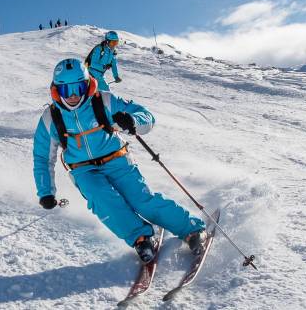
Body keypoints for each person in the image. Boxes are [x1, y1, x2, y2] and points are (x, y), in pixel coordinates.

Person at [32, 59, 206, 263]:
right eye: (65, 90)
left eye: (78, 87)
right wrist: (45, 192)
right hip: (84, 170)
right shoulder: (50, 118)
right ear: (56, 90)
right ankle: (140, 238)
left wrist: (133, 121)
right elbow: (42, 157)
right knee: (104, 201)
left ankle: (192, 230)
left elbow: (146, 116)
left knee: (141, 200)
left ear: (87, 84)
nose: (72, 95)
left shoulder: (104, 101)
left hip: (117, 160)